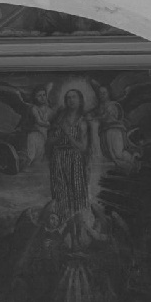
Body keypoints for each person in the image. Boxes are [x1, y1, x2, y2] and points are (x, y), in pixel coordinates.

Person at [46, 89, 90, 223]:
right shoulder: (59, 119)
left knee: (76, 189)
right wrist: (60, 136)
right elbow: (49, 141)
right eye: (68, 98)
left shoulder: (82, 121)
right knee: (60, 190)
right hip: (58, 158)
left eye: (74, 97)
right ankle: (61, 221)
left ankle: (79, 222)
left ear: (80, 100)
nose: (71, 100)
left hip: (75, 159)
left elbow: (83, 147)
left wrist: (68, 134)